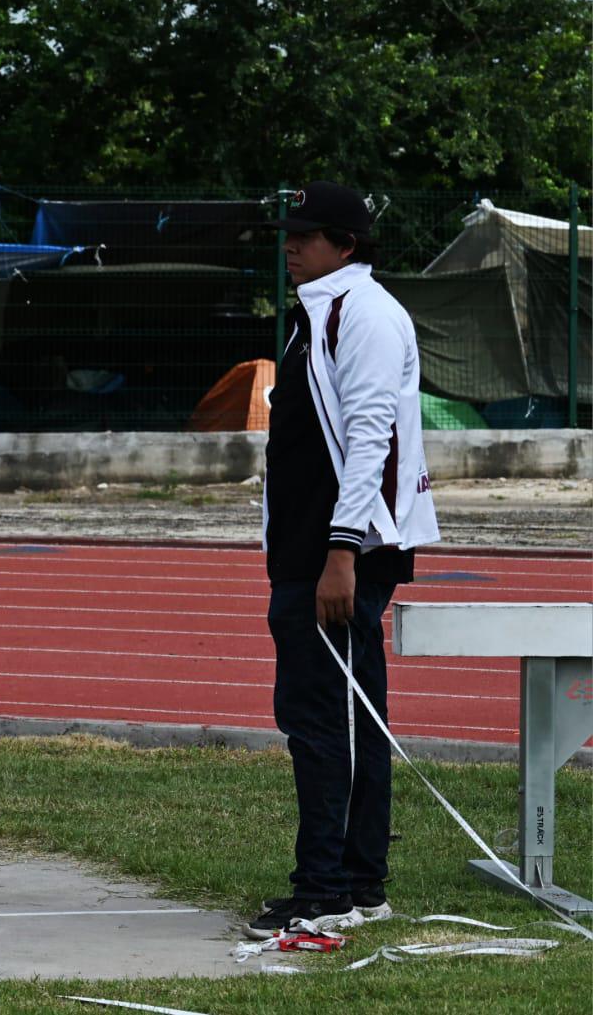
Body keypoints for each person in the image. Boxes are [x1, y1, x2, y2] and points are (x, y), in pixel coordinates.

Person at [245, 180, 439, 939]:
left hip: (341, 551)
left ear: (346, 244)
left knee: (333, 721)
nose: (291, 245)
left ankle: (332, 889)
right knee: (318, 715)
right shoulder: (316, 312)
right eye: (287, 234)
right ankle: (348, 878)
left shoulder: (364, 314)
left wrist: (342, 550)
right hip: (309, 547)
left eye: (306, 235)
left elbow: (371, 438)